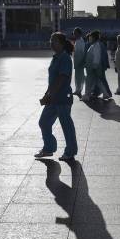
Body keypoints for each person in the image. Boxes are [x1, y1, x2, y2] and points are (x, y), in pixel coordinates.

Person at [35, 32, 78, 161]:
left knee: (66, 125)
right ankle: (49, 148)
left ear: (61, 43)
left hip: (63, 98)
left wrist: (50, 94)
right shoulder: (56, 57)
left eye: (53, 41)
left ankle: (70, 151)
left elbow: (61, 78)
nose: (51, 43)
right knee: (44, 122)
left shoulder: (65, 58)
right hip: (53, 98)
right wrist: (46, 94)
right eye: (50, 40)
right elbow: (53, 79)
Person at [82, 31, 110, 101]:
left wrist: (94, 66)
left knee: (88, 81)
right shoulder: (93, 45)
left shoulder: (96, 46)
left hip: (92, 67)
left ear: (94, 38)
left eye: (91, 38)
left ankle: (86, 95)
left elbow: (97, 57)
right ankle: (105, 93)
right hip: (91, 67)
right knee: (97, 81)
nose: (89, 39)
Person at [72, 27, 86, 97]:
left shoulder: (81, 41)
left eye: (75, 33)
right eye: (74, 33)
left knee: (80, 76)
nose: (74, 34)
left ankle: (79, 90)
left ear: (79, 33)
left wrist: (82, 62)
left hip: (80, 62)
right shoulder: (77, 41)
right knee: (77, 76)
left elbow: (83, 52)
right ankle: (77, 89)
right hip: (77, 61)